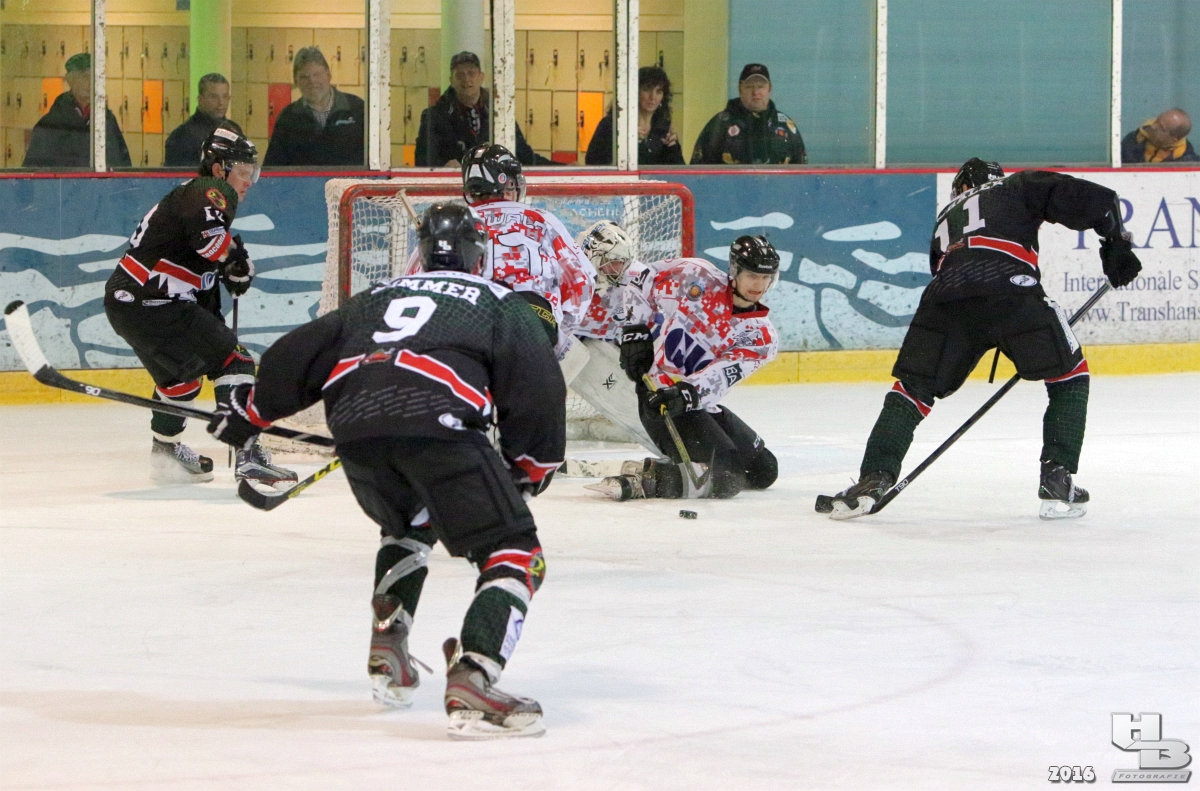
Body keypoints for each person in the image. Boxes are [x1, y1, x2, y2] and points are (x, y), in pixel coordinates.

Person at [205, 202, 564, 739]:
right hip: (438, 425)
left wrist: (253, 412)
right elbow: (537, 384)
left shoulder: (376, 297)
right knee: (514, 551)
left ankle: (388, 648)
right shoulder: (498, 300)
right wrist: (530, 465)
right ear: (477, 255)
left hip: (356, 428)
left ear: (422, 253)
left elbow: (299, 351)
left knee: (407, 525)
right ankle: (475, 677)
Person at [816, 158, 1143, 521]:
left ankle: (874, 477)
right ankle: (1057, 475)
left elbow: (953, 275)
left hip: (944, 299)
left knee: (913, 390)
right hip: (1011, 291)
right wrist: (1115, 243)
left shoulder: (946, 216)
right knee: (1069, 374)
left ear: (960, 187)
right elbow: (1098, 200)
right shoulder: (1015, 186)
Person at [103, 124, 295, 486]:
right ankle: (248, 454)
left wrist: (230, 268)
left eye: (252, 172)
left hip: (128, 303)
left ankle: (165, 452)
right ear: (220, 168)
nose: (248, 181)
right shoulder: (210, 190)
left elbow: (204, 294)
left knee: (181, 381)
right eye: (243, 171)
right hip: (152, 300)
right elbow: (211, 244)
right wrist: (233, 258)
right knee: (236, 361)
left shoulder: (196, 201)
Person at [594, 235, 781, 501]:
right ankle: (643, 481)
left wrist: (687, 394)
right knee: (727, 478)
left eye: (766, 277)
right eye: (752, 275)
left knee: (764, 471)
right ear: (735, 270)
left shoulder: (760, 336)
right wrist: (635, 329)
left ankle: (684, 464)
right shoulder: (696, 275)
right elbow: (641, 279)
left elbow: (721, 376)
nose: (759, 285)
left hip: (692, 401)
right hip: (658, 397)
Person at [459, 144, 596, 374]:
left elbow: (415, 283)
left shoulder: (451, 224)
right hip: (534, 335)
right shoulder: (541, 219)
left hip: (469, 339)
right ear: (507, 186)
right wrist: (561, 335)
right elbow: (582, 282)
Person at [414, 51, 550, 168]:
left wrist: (559, 169)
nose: (466, 79)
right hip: (452, 186)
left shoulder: (499, 114)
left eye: (471, 73)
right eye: (460, 75)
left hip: (493, 186)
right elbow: (422, 161)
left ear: (481, 77)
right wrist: (443, 168)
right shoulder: (434, 117)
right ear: (452, 80)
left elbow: (525, 156)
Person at [23, 52, 131, 168]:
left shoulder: (107, 120)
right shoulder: (50, 124)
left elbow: (123, 165)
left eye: (95, 77)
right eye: (85, 76)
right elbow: (33, 172)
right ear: (70, 80)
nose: (91, 82)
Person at [263, 46, 365, 167]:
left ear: (328, 75)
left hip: (349, 180)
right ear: (296, 81)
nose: (312, 81)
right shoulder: (288, 118)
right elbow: (273, 166)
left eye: (317, 74)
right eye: (304, 77)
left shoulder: (357, 108)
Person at [690, 63, 806, 166]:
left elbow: (802, 172)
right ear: (740, 88)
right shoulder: (720, 124)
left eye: (761, 87)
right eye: (749, 87)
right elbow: (698, 171)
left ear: (769, 88)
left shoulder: (785, 125)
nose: (755, 92)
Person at [585, 66, 684, 166]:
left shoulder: (663, 127)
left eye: (658, 91)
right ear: (635, 92)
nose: (653, 97)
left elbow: (679, 169)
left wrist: (673, 148)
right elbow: (592, 162)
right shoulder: (611, 124)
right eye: (646, 90)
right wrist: (624, 142)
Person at [164, 74, 245, 167]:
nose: (221, 102)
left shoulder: (234, 129)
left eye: (225, 96)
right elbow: (177, 174)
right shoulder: (182, 135)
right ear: (200, 100)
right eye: (214, 97)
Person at [1120, 108, 1200, 164]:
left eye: (1161, 128)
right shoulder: (1133, 140)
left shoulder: (1187, 162)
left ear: (1173, 139)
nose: (1153, 126)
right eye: (1157, 120)